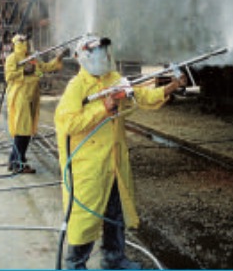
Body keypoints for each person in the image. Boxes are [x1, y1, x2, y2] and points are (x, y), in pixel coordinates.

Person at [54, 34, 187, 269]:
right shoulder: (77, 87)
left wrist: (170, 87)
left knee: (114, 215)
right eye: (95, 52)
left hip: (113, 163)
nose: (102, 56)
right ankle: (75, 264)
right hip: (88, 167)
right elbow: (67, 124)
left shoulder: (113, 79)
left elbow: (140, 95)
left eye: (104, 51)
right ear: (83, 56)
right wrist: (102, 109)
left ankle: (114, 260)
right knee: (83, 219)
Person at [5, 33, 68, 174]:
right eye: (22, 42)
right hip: (20, 96)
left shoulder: (32, 59)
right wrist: (24, 71)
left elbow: (44, 68)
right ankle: (19, 163)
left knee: (26, 130)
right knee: (22, 130)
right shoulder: (13, 58)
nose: (25, 44)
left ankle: (14, 160)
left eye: (26, 41)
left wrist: (59, 58)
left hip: (32, 96)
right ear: (16, 43)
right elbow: (9, 76)